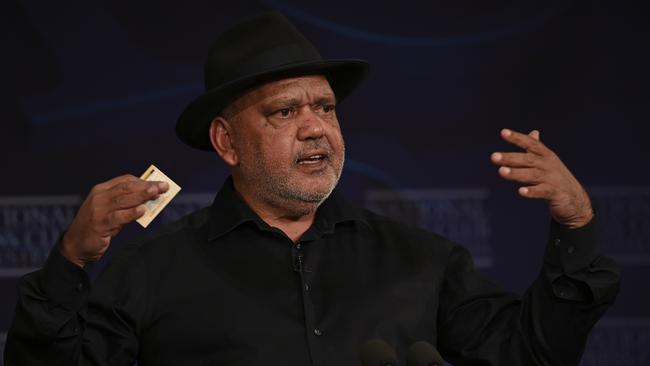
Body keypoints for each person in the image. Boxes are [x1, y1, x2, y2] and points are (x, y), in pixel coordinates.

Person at [4, 11, 619, 366]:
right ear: (226, 142)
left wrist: (575, 226)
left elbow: (529, 355)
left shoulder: (422, 259)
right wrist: (71, 264)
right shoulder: (153, 268)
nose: (316, 127)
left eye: (325, 107)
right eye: (283, 112)